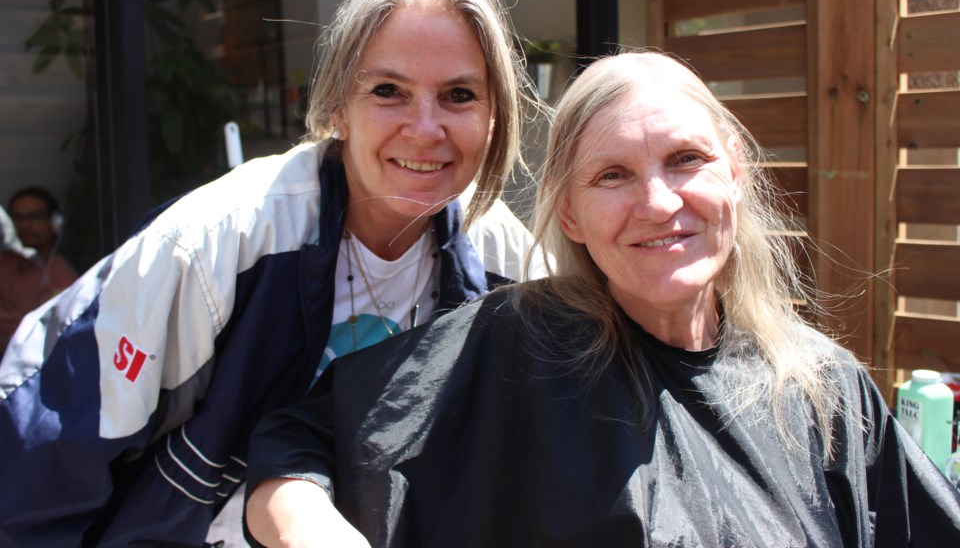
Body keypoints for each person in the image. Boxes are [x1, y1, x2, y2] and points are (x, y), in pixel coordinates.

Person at [245, 51, 960, 547]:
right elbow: (302, 443)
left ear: (735, 175)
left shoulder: (821, 390)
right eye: (613, 175)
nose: (658, 203)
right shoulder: (511, 350)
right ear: (570, 217)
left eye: (687, 159)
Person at [0, 0, 546, 547]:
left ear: (495, 116)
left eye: (459, 95)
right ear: (338, 104)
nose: (424, 129)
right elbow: (37, 467)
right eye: (387, 91)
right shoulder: (214, 245)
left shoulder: (505, 262)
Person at [0, 187, 78, 353]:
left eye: (34, 217)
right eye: (18, 218)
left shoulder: (61, 276)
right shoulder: (5, 263)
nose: (25, 225)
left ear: (55, 223)